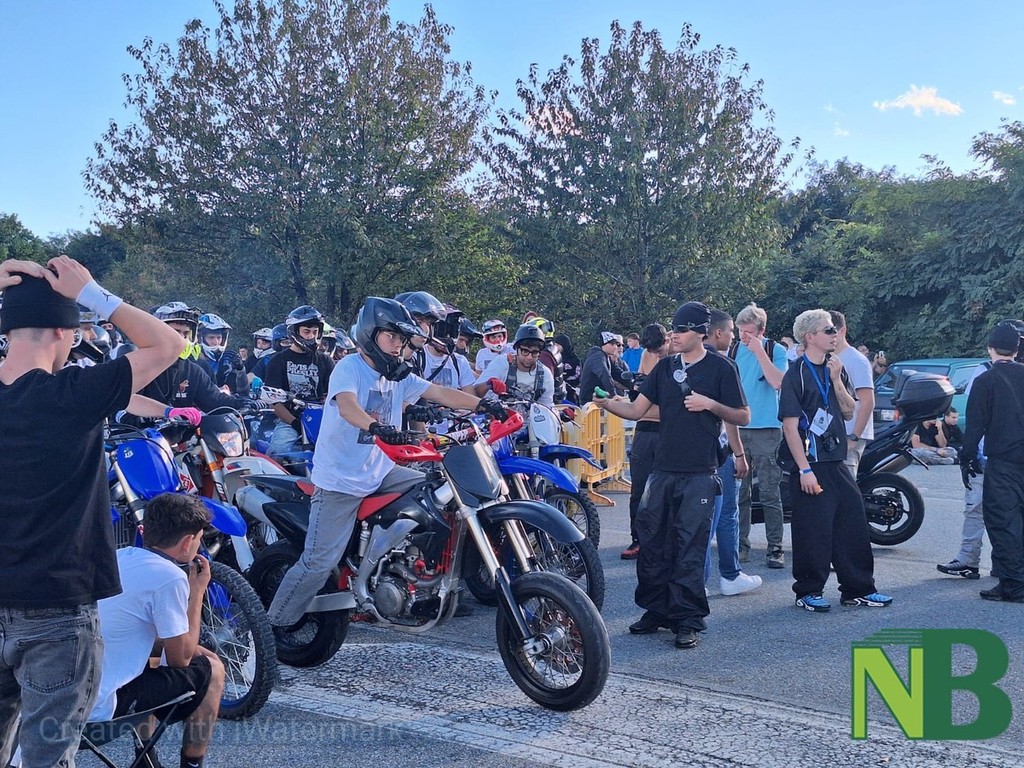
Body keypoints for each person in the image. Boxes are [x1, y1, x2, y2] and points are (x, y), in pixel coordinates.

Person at [0, 256, 185, 768]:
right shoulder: (74, 394)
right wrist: (93, 294)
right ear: (65, 332)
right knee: (47, 758)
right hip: (57, 608)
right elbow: (169, 345)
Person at [266, 297, 508, 636]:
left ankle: (399, 570)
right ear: (370, 334)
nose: (397, 344)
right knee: (318, 562)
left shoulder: (398, 375)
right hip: (340, 482)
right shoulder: (350, 367)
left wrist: (484, 405)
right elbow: (347, 406)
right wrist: (374, 426)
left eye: (401, 338)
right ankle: (271, 627)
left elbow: (440, 392)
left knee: (436, 490)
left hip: (381, 473)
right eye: (390, 336)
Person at [595, 302, 749, 650]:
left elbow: (743, 416)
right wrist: (608, 404)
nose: (674, 336)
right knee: (653, 542)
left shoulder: (722, 368)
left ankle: (688, 619)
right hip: (663, 468)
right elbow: (637, 409)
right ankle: (657, 610)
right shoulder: (665, 367)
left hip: (700, 471)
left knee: (689, 546)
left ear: (701, 333)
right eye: (673, 329)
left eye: (681, 330)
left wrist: (710, 405)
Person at [91, 493, 224, 768]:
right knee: (213, 668)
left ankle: (146, 760)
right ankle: (192, 765)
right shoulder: (169, 577)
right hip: (102, 707)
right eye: (199, 539)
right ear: (187, 542)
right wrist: (197, 591)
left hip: (76, 693)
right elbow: (180, 660)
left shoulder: (118, 557)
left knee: (152, 659)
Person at [779, 309, 892, 613]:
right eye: (828, 330)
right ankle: (808, 591)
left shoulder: (835, 368)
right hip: (810, 462)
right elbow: (790, 427)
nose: (835, 334)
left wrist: (836, 380)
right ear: (810, 337)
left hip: (835, 459)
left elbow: (847, 410)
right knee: (813, 530)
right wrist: (803, 469)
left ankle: (858, 589)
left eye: (834, 329)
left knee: (852, 522)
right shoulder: (795, 374)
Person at [960, 322, 1024, 602]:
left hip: (1003, 460)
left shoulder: (985, 380)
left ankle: (1013, 583)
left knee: (1003, 521)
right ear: (1017, 349)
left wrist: (967, 458)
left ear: (990, 348)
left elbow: (975, 426)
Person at [705, 309, 761, 596]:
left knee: (699, 519)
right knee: (725, 514)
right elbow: (732, 416)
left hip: (691, 452)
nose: (732, 337)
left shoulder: (679, 362)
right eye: (730, 331)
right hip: (718, 451)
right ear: (718, 332)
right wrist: (739, 454)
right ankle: (729, 574)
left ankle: (702, 578)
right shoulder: (723, 364)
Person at [732, 302, 788, 568]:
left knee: (769, 491)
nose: (744, 337)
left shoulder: (776, 350)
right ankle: (740, 545)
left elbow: (778, 382)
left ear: (761, 330)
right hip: (739, 427)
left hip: (767, 428)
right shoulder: (734, 350)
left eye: (749, 332)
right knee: (739, 493)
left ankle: (775, 548)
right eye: (740, 331)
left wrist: (759, 352)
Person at [130, 303, 254, 418]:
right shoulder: (137, 365)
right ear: (157, 333)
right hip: (140, 433)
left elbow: (214, 399)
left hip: (182, 434)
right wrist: (134, 418)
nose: (182, 338)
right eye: (176, 332)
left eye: (186, 333)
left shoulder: (192, 370)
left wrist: (243, 403)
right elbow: (124, 402)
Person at [621, 323, 667, 560]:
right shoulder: (647, 355)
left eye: (659, 350)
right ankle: (638, 538)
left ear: (667, 341)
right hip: (645, 427)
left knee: (666, 489)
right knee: (639, 488)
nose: (656, 355)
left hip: (668, 429)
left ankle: (664, 539)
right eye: (651, 351)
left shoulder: (677, 356)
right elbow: (640, 393)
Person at [264, 305, 334, 457]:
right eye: (306, 331)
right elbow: (274, 402)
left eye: (315, 332)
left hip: (322, 419)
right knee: (279, 452)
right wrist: (295, 422)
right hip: (289, 420)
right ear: (294, 332)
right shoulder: (278, 360)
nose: (311, 336)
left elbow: (335, 397)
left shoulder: (325, 361)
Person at [829, 311, 875, 474]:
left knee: (845, 483)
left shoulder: (857, 360)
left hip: (849, 434)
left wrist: (854, 437)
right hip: (831, 435)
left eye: (831, 331)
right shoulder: (827, 357)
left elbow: (868, 401)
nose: (829, 336)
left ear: (842, 330)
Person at [475, 323, 555, 408]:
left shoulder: (545, 375)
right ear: (516, 349)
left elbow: (547, 406)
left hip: (532, 415)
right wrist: (488, 384)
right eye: (525, 351)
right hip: (499, 414)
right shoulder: (502, 363)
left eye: (534, 352)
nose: (529, 357)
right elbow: (475, 392)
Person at [195, 313, 246, 394]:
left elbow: (243, 393)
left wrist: (240, 369)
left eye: (219, 338)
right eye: (211, 337)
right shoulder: (192, 361)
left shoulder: (226, 360)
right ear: (200, 338)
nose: (216, 342)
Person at [579, 331, 626, 404]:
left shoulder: (606, 357)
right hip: (590, 402)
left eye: (616, 344)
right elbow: (604, 374)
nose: (615, 347)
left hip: (599, 400)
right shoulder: (597, 357)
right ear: (604, 344)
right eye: (612, 344)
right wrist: (613, 395)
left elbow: (618, 373)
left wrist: (633, 385)